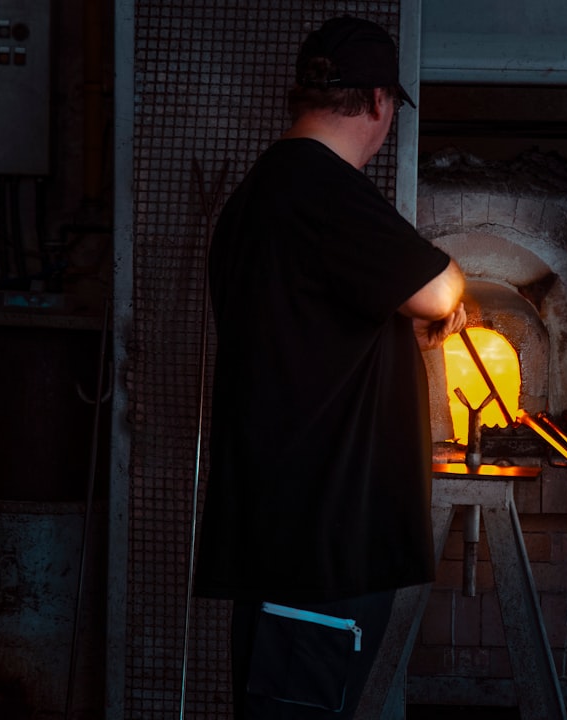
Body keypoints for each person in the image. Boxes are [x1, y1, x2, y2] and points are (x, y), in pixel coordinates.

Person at [194, 16, 467, 719]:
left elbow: (317, 334)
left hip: (286, 529)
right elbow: (442, 287)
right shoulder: (321, 190)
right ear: (379, 102)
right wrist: (437, 309)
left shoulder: (259, 195)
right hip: (321, 543)